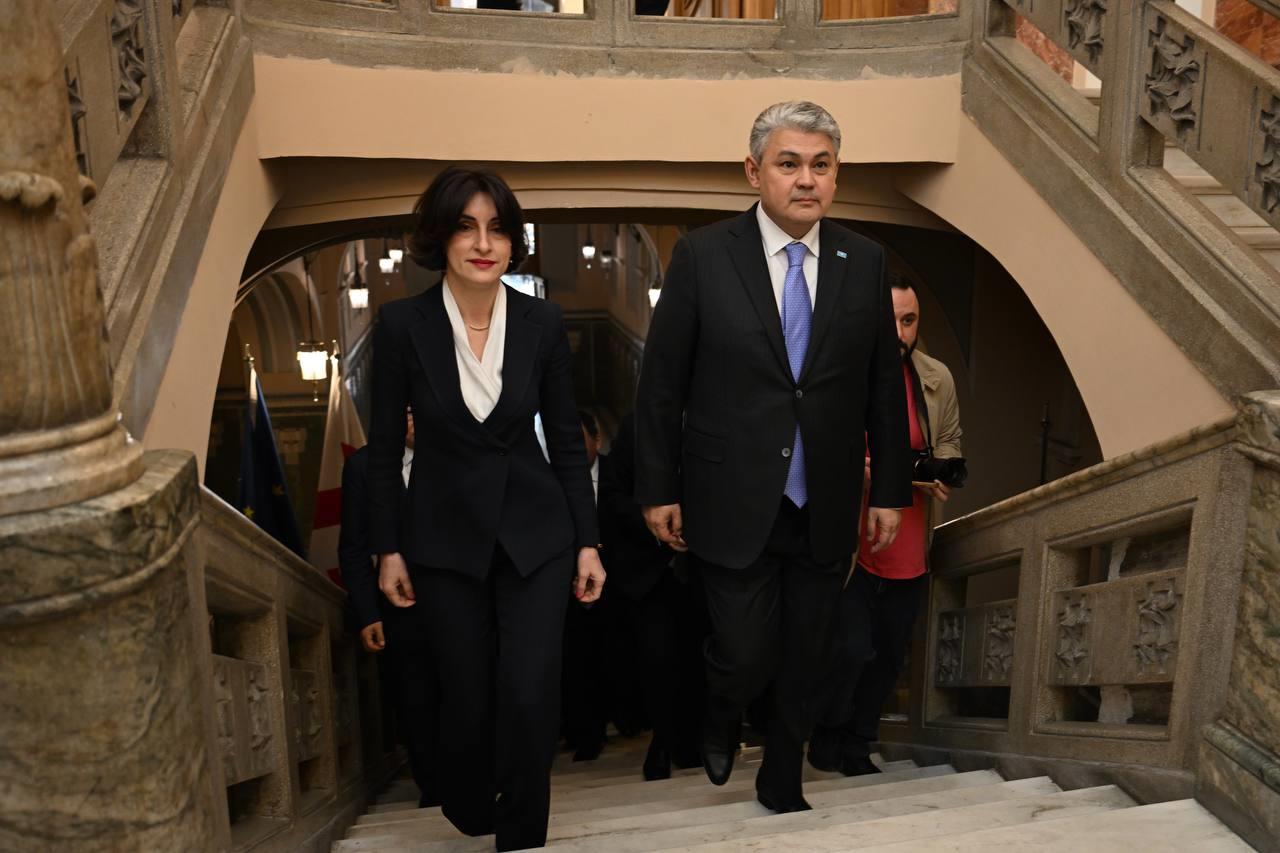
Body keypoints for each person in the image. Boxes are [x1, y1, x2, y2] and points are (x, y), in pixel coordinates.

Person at [634, 100, 912, 813]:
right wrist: (657, 487)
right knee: (744, 650)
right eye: (789, 163)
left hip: (825, 497)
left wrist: (890, 492)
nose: (806, 179)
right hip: (729, 496)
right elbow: (661, 384)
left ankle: (781, 780)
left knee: (809, 652)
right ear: (754, 171)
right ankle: (721, 708)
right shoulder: (703, 256)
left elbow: (883, 385)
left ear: (837, 175)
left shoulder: (864, 261)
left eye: (821, 165)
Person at [367, 166, 606, 852]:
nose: (483, 244)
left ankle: (523, 834)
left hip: (537, 533)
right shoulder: (401, 325)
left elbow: (566, 440)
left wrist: (587, 542)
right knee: (466, 693)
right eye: (467, 227)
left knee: (530, 690)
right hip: (442, 539)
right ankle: (470, 801)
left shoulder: (542, 321)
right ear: (439, 237)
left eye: (498, 229)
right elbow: (382, 449)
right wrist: (388, 548)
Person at [809, 275, 964, 776]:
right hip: (851, 542)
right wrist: (875, 470)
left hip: (910, 543)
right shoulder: (838, 373)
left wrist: (937, 470)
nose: (899, 332)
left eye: (909, 320)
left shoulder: (936, 378)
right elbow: (816, 449)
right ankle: (825, 731)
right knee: (851, 649)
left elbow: (950, 441)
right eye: (889, 320)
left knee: (888, 657)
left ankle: (857, 745)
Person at [338, 410, 440, 807]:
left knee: (466, 687)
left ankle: (476, 776)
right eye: (405, 413)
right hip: (398, 607)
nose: (412, 421)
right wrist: (368, 614)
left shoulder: (458, 453)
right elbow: (352, 547)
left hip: (459, 599)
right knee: (414, 697)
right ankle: (433, 785)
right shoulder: (363, 467)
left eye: (418, 412)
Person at [599, 412, 707, 780]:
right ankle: (662, 740)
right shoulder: (638, 425)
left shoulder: (722, 414)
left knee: (699, 658)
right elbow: (612, 495)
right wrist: (654, 525)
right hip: (648, 571)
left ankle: (694, 741)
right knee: (656, 659)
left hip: (706, 568)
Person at [561, 410, 611, 762]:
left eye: (579, 441)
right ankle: (581, 732)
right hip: (570, 588)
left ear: (596, 440)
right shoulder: (552, 481)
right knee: (575, 662)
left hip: (619, 584)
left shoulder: (616, 473)